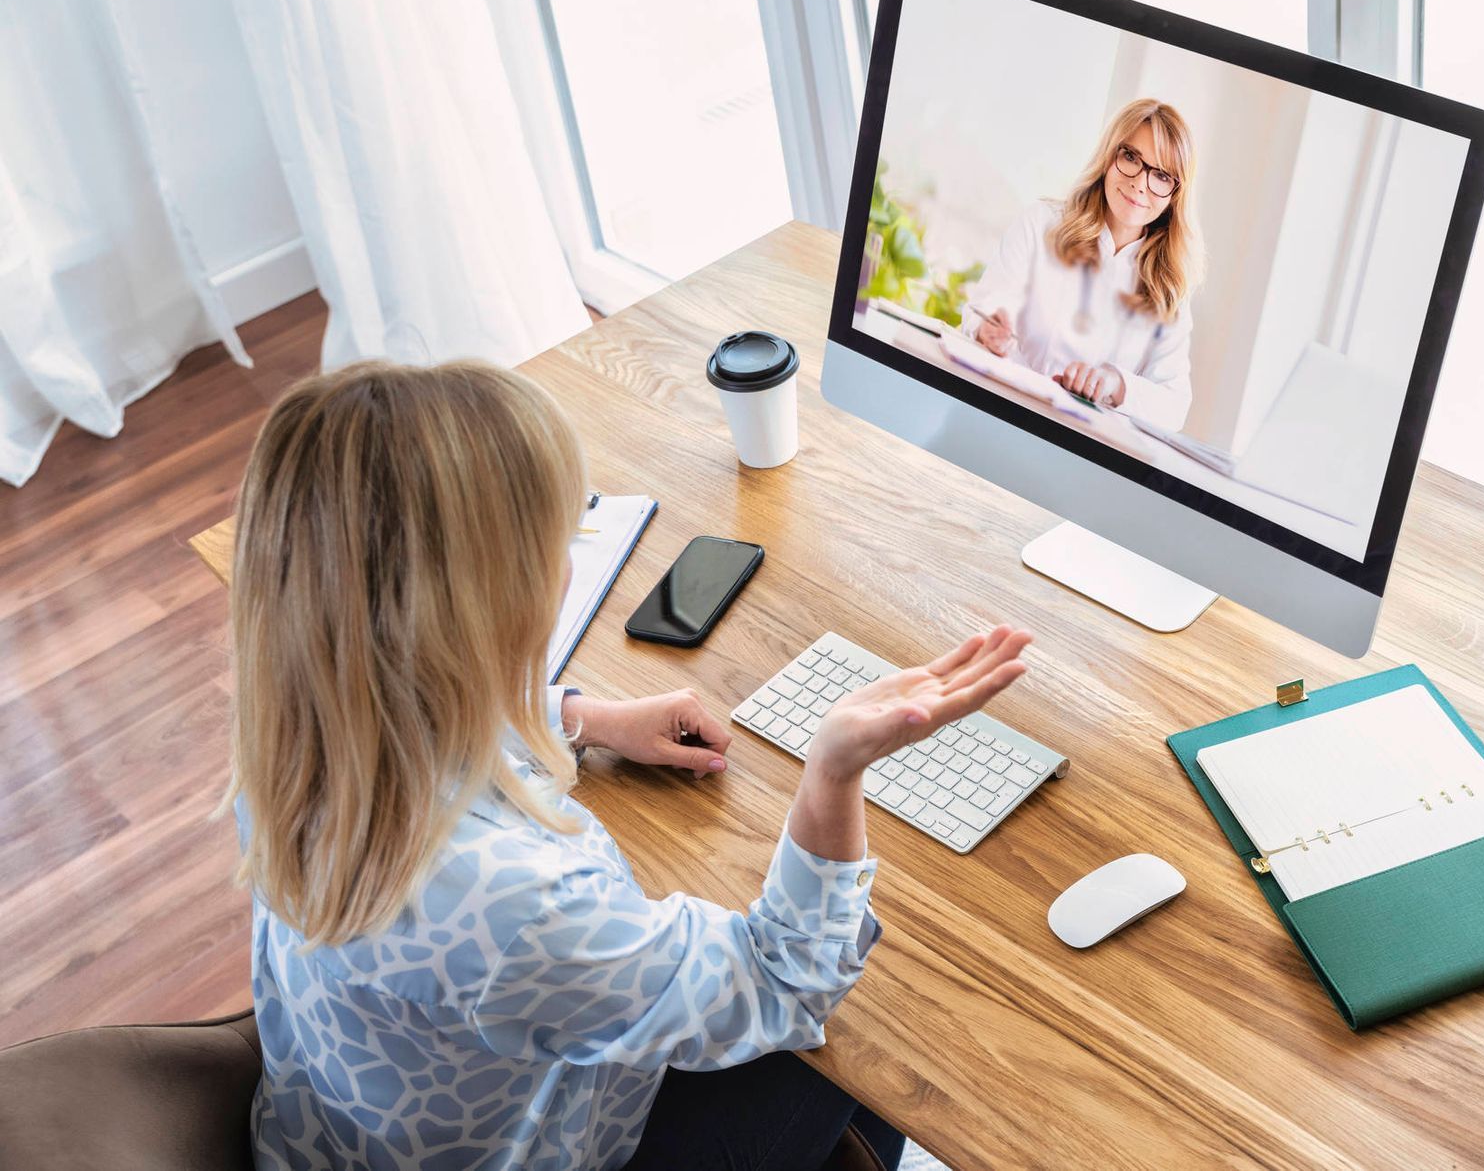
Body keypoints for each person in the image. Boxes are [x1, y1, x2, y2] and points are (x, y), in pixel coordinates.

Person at [224, 360, 1032, 1171]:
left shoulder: (298, 732)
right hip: (546, 1148)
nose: (568, 565)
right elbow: (785, 982)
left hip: (339, 1137)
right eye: (561, 536)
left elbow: (415, 711)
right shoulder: (515, 904)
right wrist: (834, 768)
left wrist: (584, 719)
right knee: (876, 1049)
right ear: (490, 594)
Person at [961, 97, 1204, 432]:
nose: (1139, 183)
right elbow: (981, 310)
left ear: (1175, 194)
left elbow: (1174, 406)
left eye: (1161, 175)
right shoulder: (1041, 224)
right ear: (1109, 155)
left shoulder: (1169, 286)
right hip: (994, 415)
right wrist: (987, 329)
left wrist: (1116, 384)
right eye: (1131, 157)